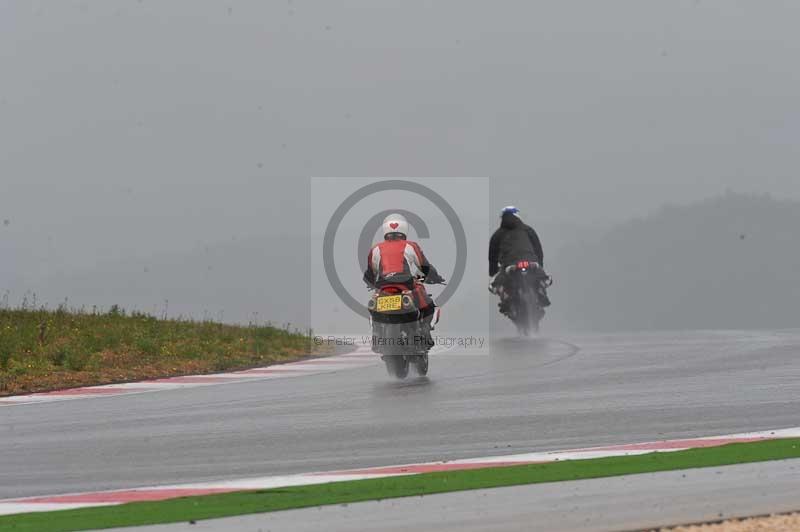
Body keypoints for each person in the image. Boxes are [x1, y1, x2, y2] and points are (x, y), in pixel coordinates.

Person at [363, 213, 445, 347]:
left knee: (373, 308)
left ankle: (376, 336)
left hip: (383, 287)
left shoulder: (375, 249)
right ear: (404, 229)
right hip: (406, 284)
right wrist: (434, 277)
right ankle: (426, 331)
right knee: (430, 306)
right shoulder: (411, 246)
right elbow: (425, 266)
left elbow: (370, 274)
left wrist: (371, 283)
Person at [488, 206, 551, 314]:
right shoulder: (528, 229)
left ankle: (507, 299)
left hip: (509, 264)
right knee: (543, 278)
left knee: (496, 284)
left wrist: (493, 271)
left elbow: (492, 257)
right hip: (531, 261)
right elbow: (538, 249)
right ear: (517, 215)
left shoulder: (497, 235)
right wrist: (539, 264)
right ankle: (541, 291)